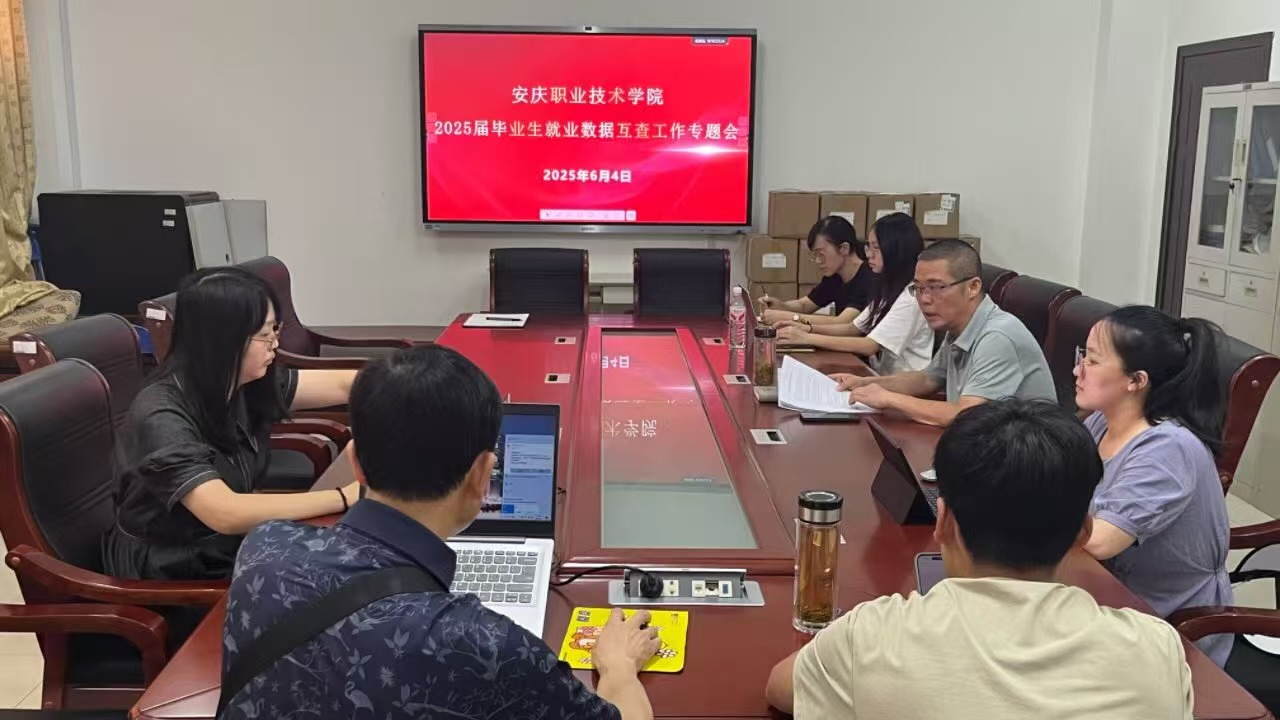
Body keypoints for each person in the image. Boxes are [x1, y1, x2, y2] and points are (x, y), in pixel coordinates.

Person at [220, 346, 658, 720]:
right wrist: (618, 666)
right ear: (483, 476)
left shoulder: (263, 549)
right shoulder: (486, 646)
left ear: (355, 464)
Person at [764, 400, 1193, 719]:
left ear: (943, 521)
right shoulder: (1156, 650)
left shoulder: (871, 637)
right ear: (1082, 532)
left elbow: (781, 688)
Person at [104, 268, 362, 581]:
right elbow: (225, 512)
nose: (275, 344)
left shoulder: (239, 380)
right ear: (223, 341)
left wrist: (408, 381)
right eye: (265, 334)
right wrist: (346, 496)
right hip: (175, 568)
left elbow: (345, 385)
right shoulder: (161, 414)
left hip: (229, 543)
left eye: (276, 329)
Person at [1074, 305, 1233, 666]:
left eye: (1092, 361)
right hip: (1105, 599)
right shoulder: (1101, 421)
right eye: (1082, 355)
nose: (1077, 369)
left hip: (1170, 631)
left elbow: (1099, 541)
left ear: (1136, 380)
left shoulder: (1167, 448)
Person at [832, 239, 1054, 425]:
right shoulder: (959, 326)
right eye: (919, 288)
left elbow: (965, 414)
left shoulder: (998, 337)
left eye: (936, 287)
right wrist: (864, 384)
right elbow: (927, 379)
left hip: (1025, 456)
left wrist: (888, 399)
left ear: (973, 287)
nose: (924, 299)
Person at [774, 212, 933, 374]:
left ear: (896, 250)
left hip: (904, 383)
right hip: (882, 376)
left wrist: (806, 337)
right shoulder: (887, 290)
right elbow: (853, 328)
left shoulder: (911, 298)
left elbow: (869, 345)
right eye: (869, 247)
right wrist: (806, 328)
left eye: (876, 248)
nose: (869, 254)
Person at [759, 215, 872, 327]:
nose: (818, 261)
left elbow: (844, 322)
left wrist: (788, 317)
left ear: (844, 248)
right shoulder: (835, 276)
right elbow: (804, 305)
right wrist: (781, 306)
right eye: (815, 255)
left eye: (821, 254)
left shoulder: (870, 276)